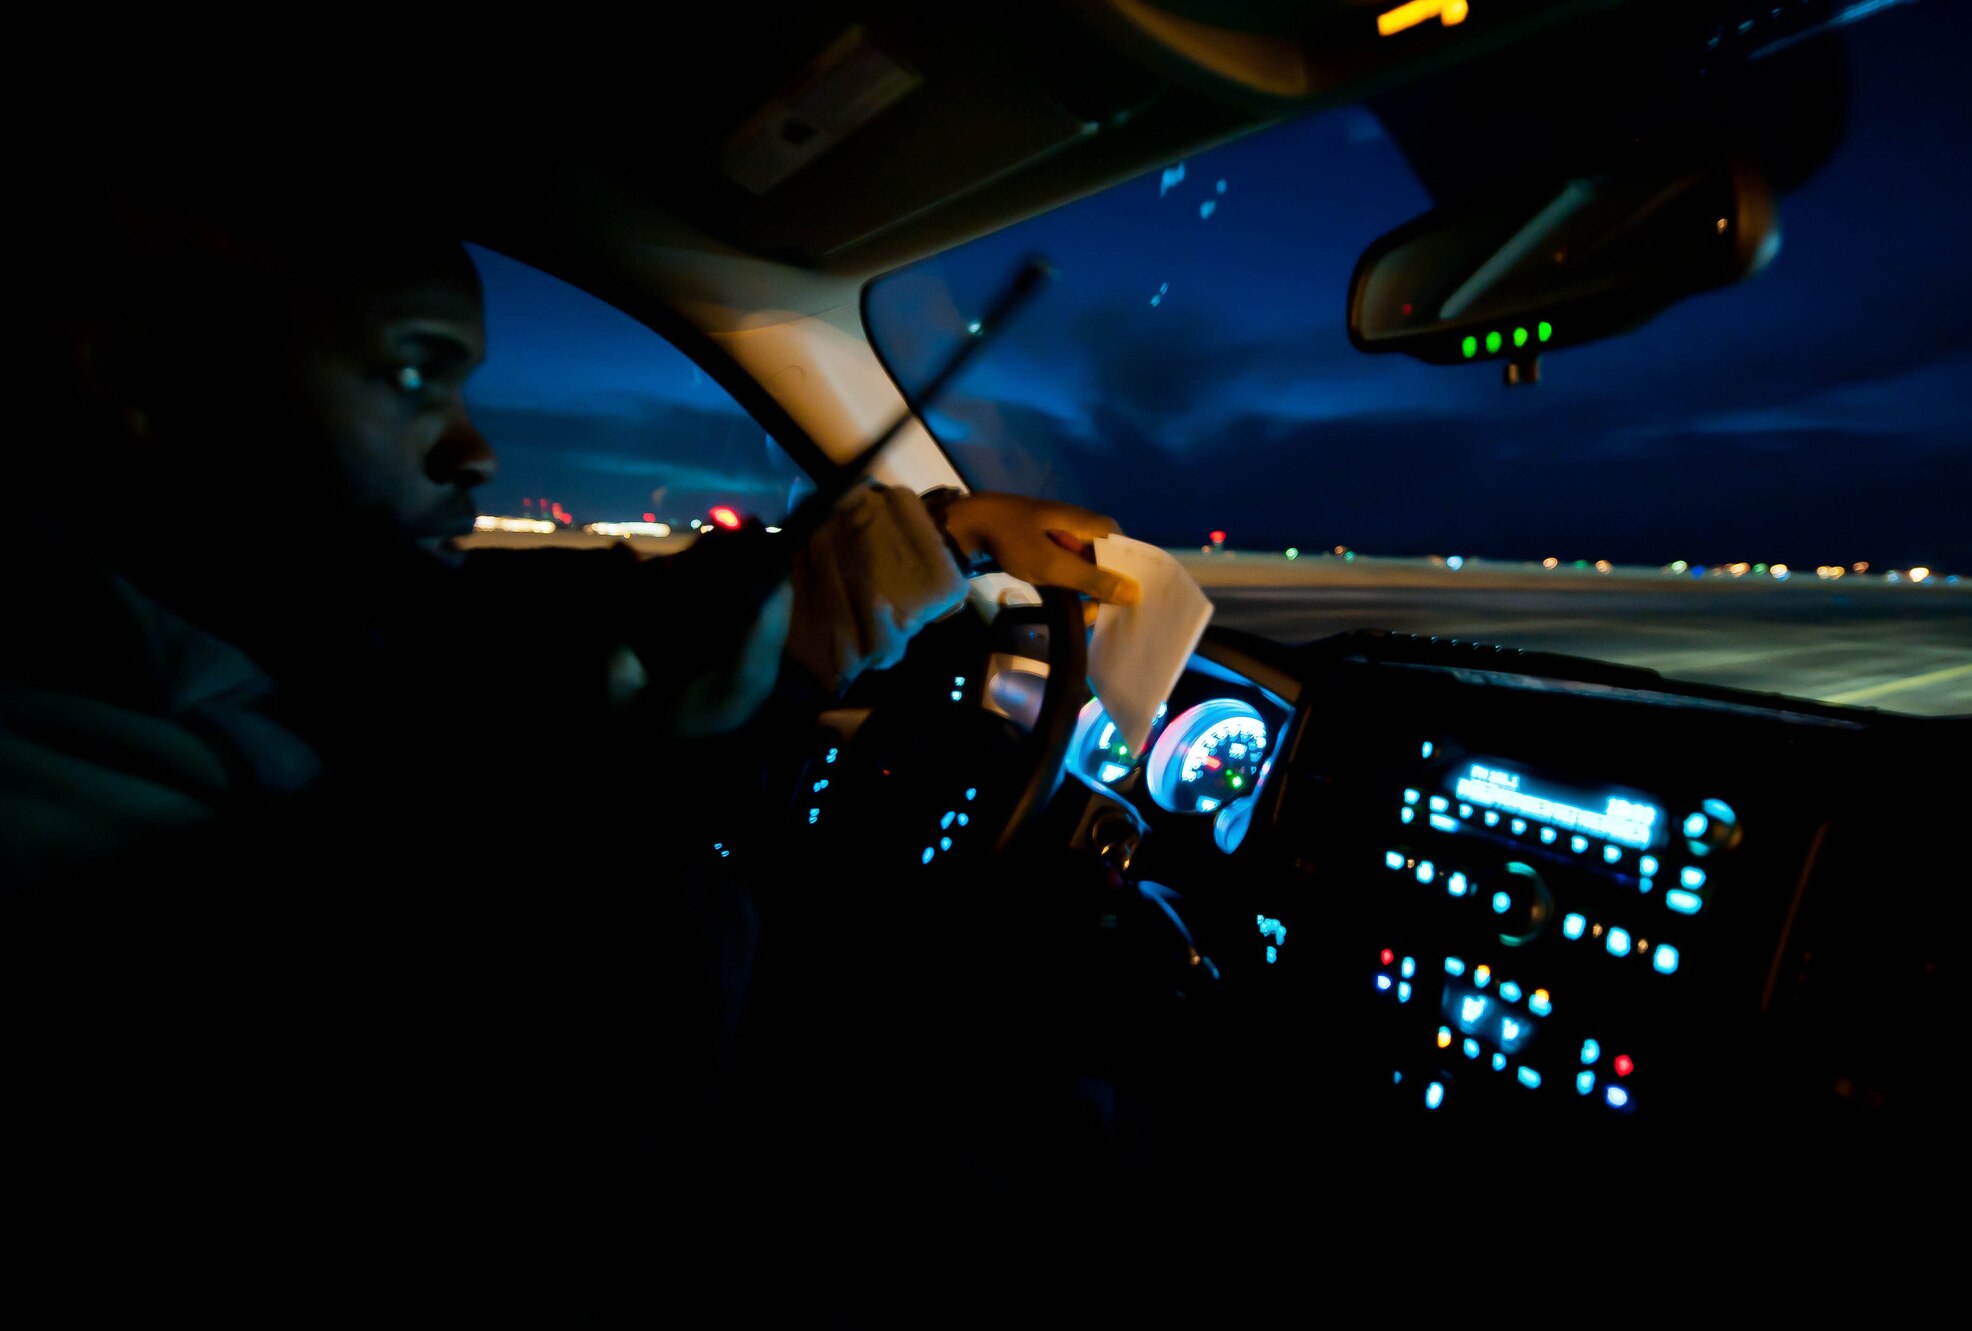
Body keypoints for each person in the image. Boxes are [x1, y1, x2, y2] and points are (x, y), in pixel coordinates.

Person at [1, 174, 1138, 1301]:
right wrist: (669, 772)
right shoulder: (70, 752)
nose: (474, 452)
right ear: (138, 375)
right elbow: (518, 1128)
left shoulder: (293, 607)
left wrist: (950, 527)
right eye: (410, 373)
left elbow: (587, 605)